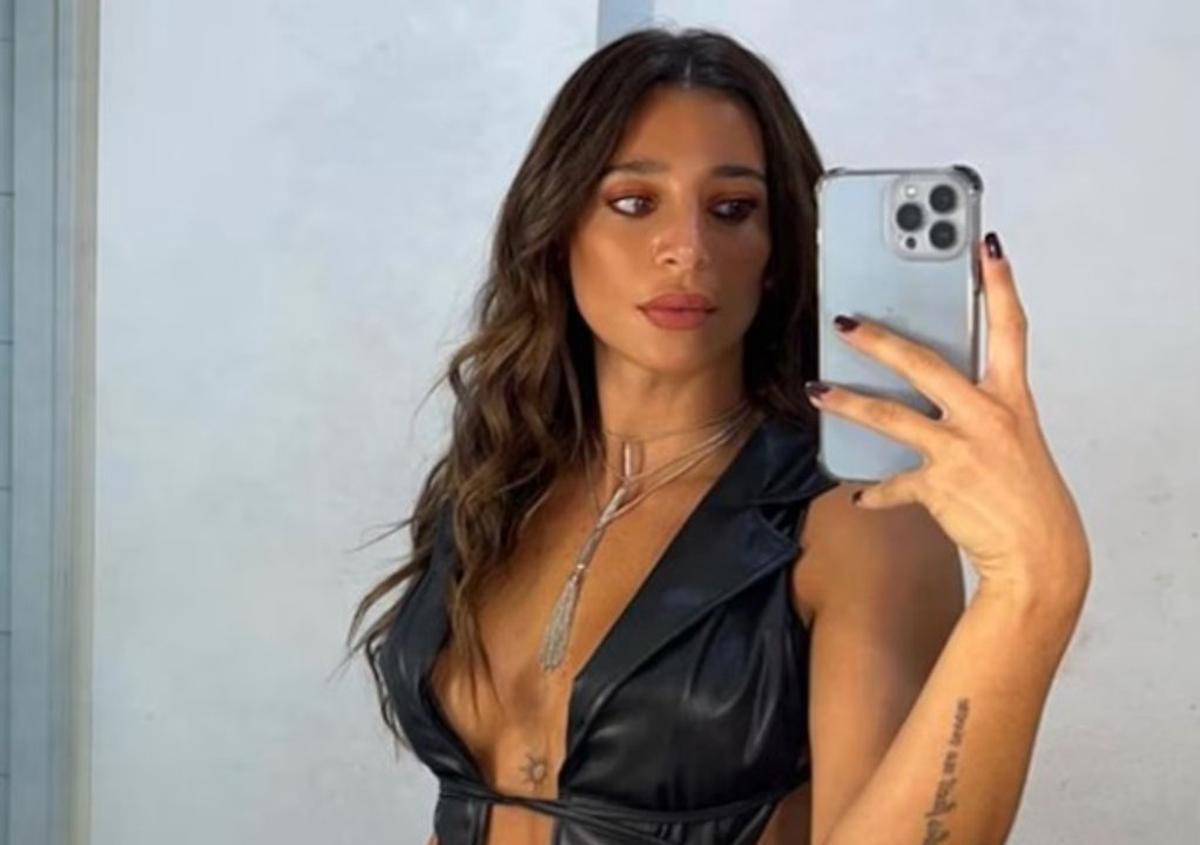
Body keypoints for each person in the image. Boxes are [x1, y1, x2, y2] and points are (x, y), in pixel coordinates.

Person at [344, 26, 1091, 845]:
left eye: (732, 210)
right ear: (558, 228)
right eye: (635, 203)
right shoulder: (499, 477)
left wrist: (1034, 586)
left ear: (775, 252)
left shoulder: (857, 518)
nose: (687, 250)